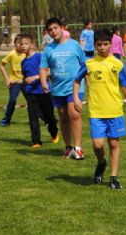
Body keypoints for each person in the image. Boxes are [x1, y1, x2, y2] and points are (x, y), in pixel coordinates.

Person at [72, 28, 126, 190]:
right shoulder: (89, 63)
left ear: (111, 44)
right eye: (99, 44)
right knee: (98, 145)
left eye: (106, 44)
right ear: (95, 45)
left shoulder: (118, 64)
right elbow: (77, 80)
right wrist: (76, 97)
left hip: (115, 111)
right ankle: (101, 162)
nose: (103, 47)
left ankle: (113, 177)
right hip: (96, 112)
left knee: (113, 144)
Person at [40, 17, 87, 160]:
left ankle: (78, 148)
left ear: (62, 28)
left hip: (75, 88)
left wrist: (89, 82)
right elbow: (43, 68)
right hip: (57, 89)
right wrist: (43, 82)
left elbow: (84, 65)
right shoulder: (48, 49)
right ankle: (68, 148)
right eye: (50, 30)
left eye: (55, 28)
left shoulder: (74, 45)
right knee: (63, 117)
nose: (53, 32)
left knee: (74, 114)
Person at [20, 34, 59, 149]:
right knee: (33, 117)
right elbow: (25, 77)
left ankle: (54, 132)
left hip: (43, 90)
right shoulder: (23, 62)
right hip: (31, 93)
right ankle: (36, 141)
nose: (23, 46)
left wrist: (35, 77)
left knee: (49, 116)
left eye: (26, 43)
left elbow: (49, 72)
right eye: (21, 44)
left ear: (32, 45)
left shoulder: (39, 57)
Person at [0, 34, 26, 126]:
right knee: (12, 100)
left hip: (25, 81)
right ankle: (6, 120)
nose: (21, 45)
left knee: (32, 101)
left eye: (23, 43)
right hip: (14, 81)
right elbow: (1, 65)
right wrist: (7, 79)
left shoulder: (27, 54)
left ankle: (45, 118)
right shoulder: (12, 54)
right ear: (15, 44)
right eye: (19, 43)